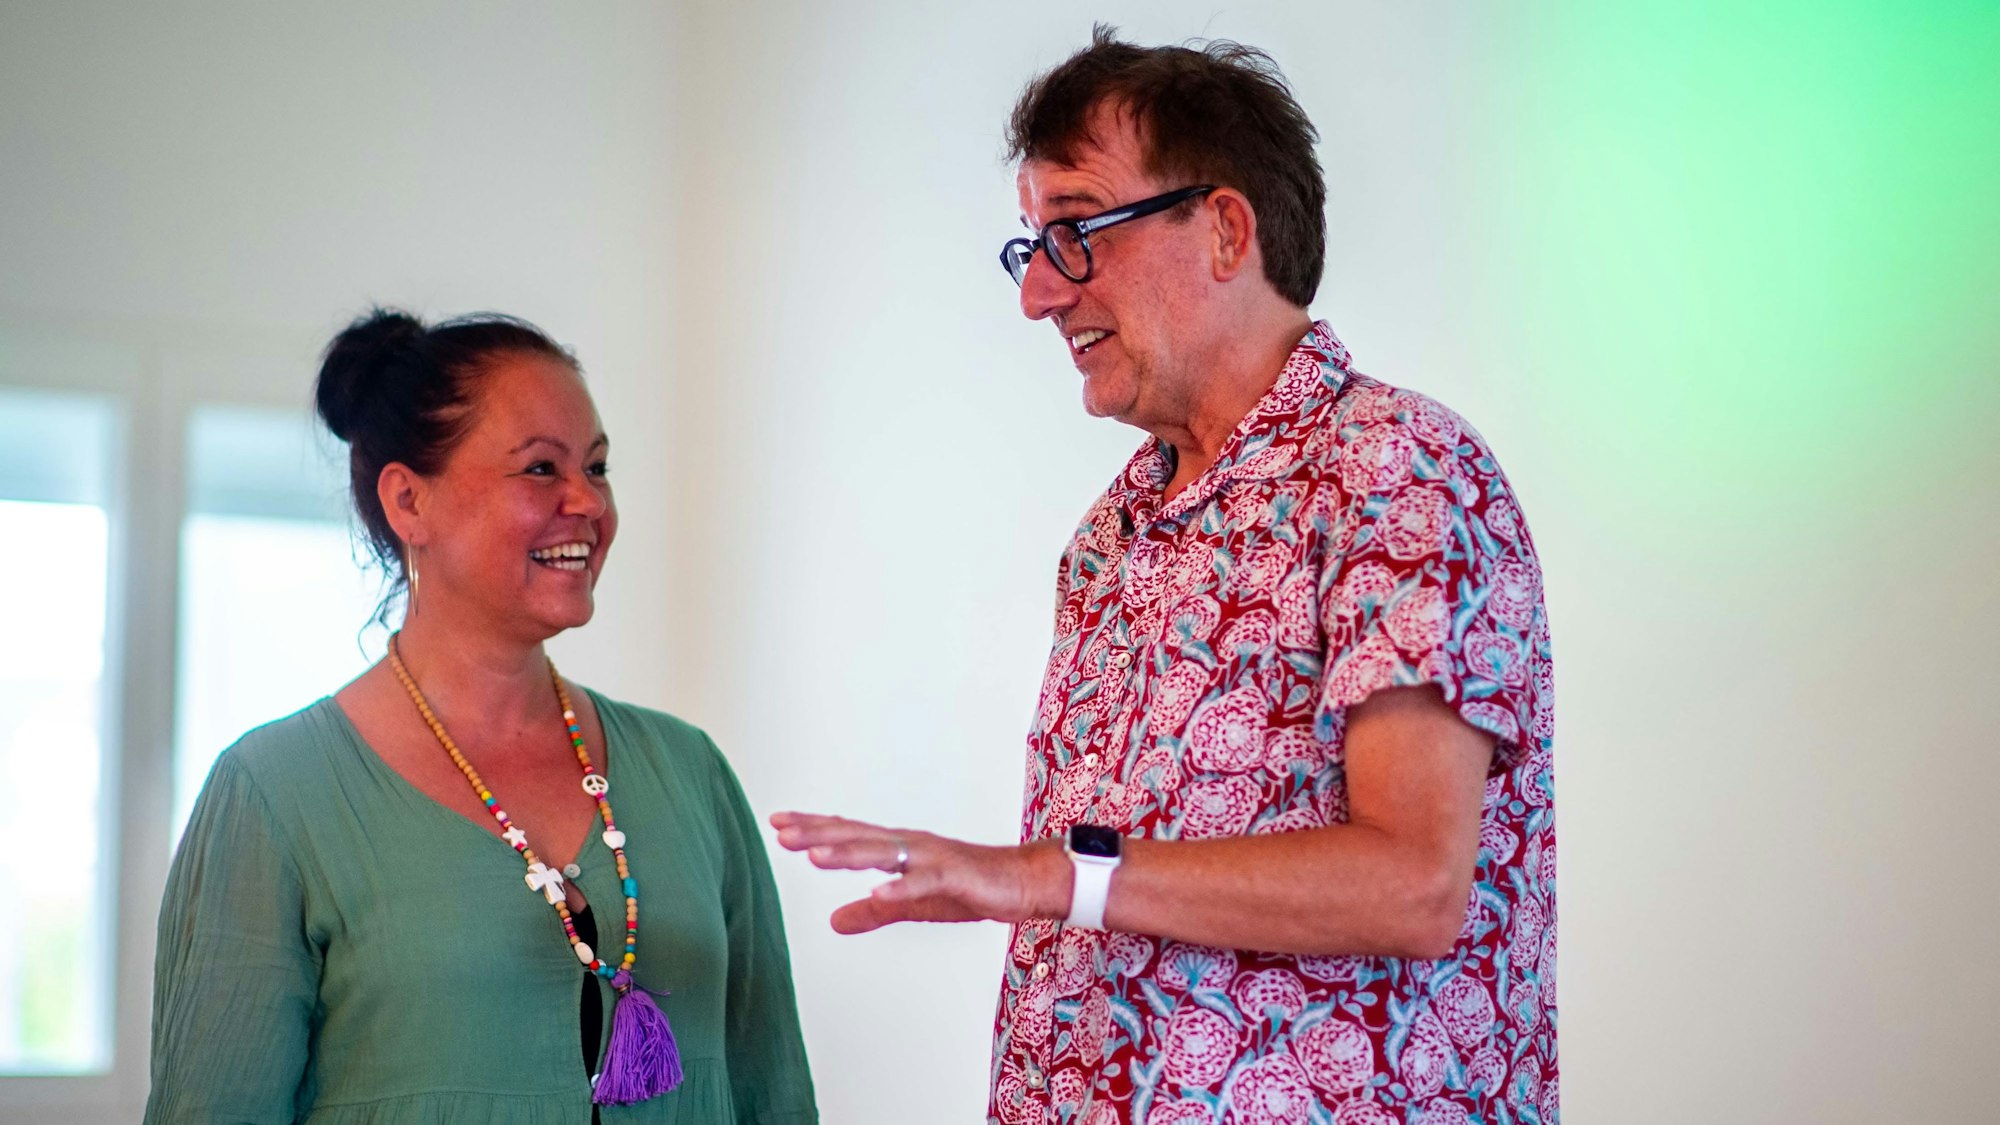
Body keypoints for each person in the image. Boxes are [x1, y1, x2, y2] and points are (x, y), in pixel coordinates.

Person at [773, 27, 1554, 1125]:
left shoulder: (1391, 467)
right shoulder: (1110, 535)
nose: (1038, 295)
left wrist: (1054, 875)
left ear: (1224, 227)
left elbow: (1414, 884)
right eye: (1031, 246)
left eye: (1076, 232)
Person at [147, 309, 816, 1125]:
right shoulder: (273, 795)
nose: (588, 503)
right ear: (408, 501)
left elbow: (774, 1095)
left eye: (598, 468)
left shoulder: (692, 774)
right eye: (541, 469)